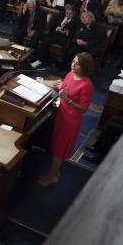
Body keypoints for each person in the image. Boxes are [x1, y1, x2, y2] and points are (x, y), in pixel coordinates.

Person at [39, 53, 95, 186]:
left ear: (85, 67)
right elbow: (65, 88)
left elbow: (83, 108)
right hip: (61, 114)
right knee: (56, 144)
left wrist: (68, 100)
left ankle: (52, 176)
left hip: (71, 120)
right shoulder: (70, 74)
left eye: (77, 64)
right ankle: (55, 171)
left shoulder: (87, 84)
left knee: (59, 148)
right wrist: (57, 86)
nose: (73, 65)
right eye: (73, 62)